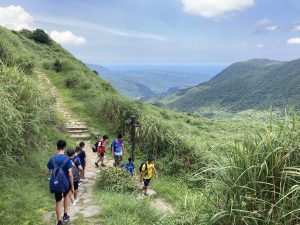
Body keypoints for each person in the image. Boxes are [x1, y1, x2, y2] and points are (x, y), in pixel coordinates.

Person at [47, 140, 74, 225]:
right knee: (66, 197)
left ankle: (59, 221)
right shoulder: (67, 159)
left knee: (58, 201)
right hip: (65, 183)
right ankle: (65, 216)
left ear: (56, 147)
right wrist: (72, 186)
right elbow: (70, 174)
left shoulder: (52, 158)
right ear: (65, 148)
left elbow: (48, 171)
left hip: (56, 183)